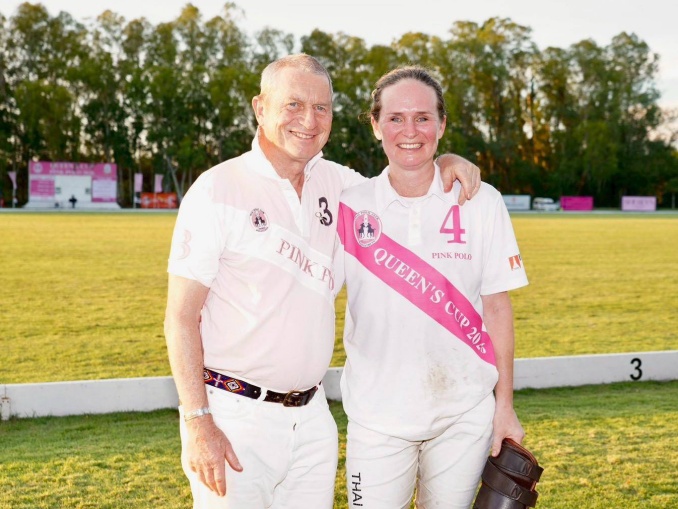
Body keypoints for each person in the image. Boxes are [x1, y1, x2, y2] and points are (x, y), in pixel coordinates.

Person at [164, 54, 481, 509]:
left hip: (312, 421)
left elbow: (403, 180)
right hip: (233, 417)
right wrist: (198, 422)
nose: (308, 121)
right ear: (260, 108)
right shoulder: (217, 189)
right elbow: (180, 318)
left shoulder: (341, 186)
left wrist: (444, 158)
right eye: (293, 105)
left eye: (321, 108)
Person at [335, 66, 528, 509]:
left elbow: (498, 309)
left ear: (441, 125)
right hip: (376, 415)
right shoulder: (350, 203)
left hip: (464, 413)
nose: (410, 131)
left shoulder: (481, 201)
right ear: (375, 125)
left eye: (423, 118)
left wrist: (504, 406)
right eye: (395, 118)